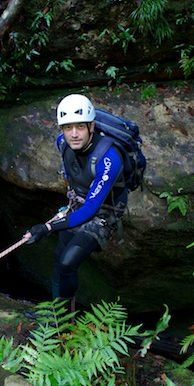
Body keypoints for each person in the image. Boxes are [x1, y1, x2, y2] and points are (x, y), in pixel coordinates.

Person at [24, 94, 128, 314]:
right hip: (78, 204)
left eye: (80, 127)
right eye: (67, 127)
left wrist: (48, 227)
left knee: (68, 261)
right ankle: (56, 313)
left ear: (91, 126)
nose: (73, 134)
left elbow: (91, 209)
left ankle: (62, 318)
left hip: (103, 213)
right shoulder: (62, 143)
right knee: (59, 256)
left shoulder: (110, 158)